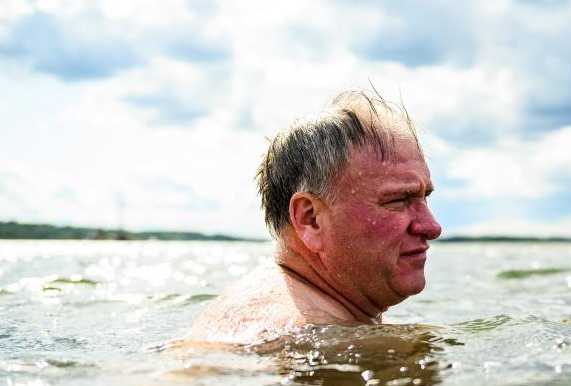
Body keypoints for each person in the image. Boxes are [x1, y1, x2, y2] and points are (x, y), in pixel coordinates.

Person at [187, 88, 442, 344]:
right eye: (398, 200)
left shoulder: (335, 322)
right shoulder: (296, 338)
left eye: (425, 197)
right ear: (311, 219)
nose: (432, 227)